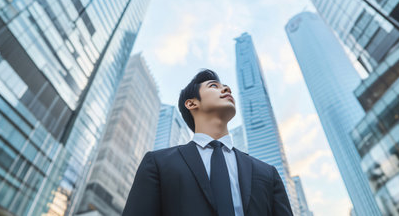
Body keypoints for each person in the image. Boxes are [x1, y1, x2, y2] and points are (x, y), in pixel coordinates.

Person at [122, 69, 293, 216]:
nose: (226, 88)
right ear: (191, 103)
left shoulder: (267, 173)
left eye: (225, 86)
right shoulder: (158, 163)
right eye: (213, 85)